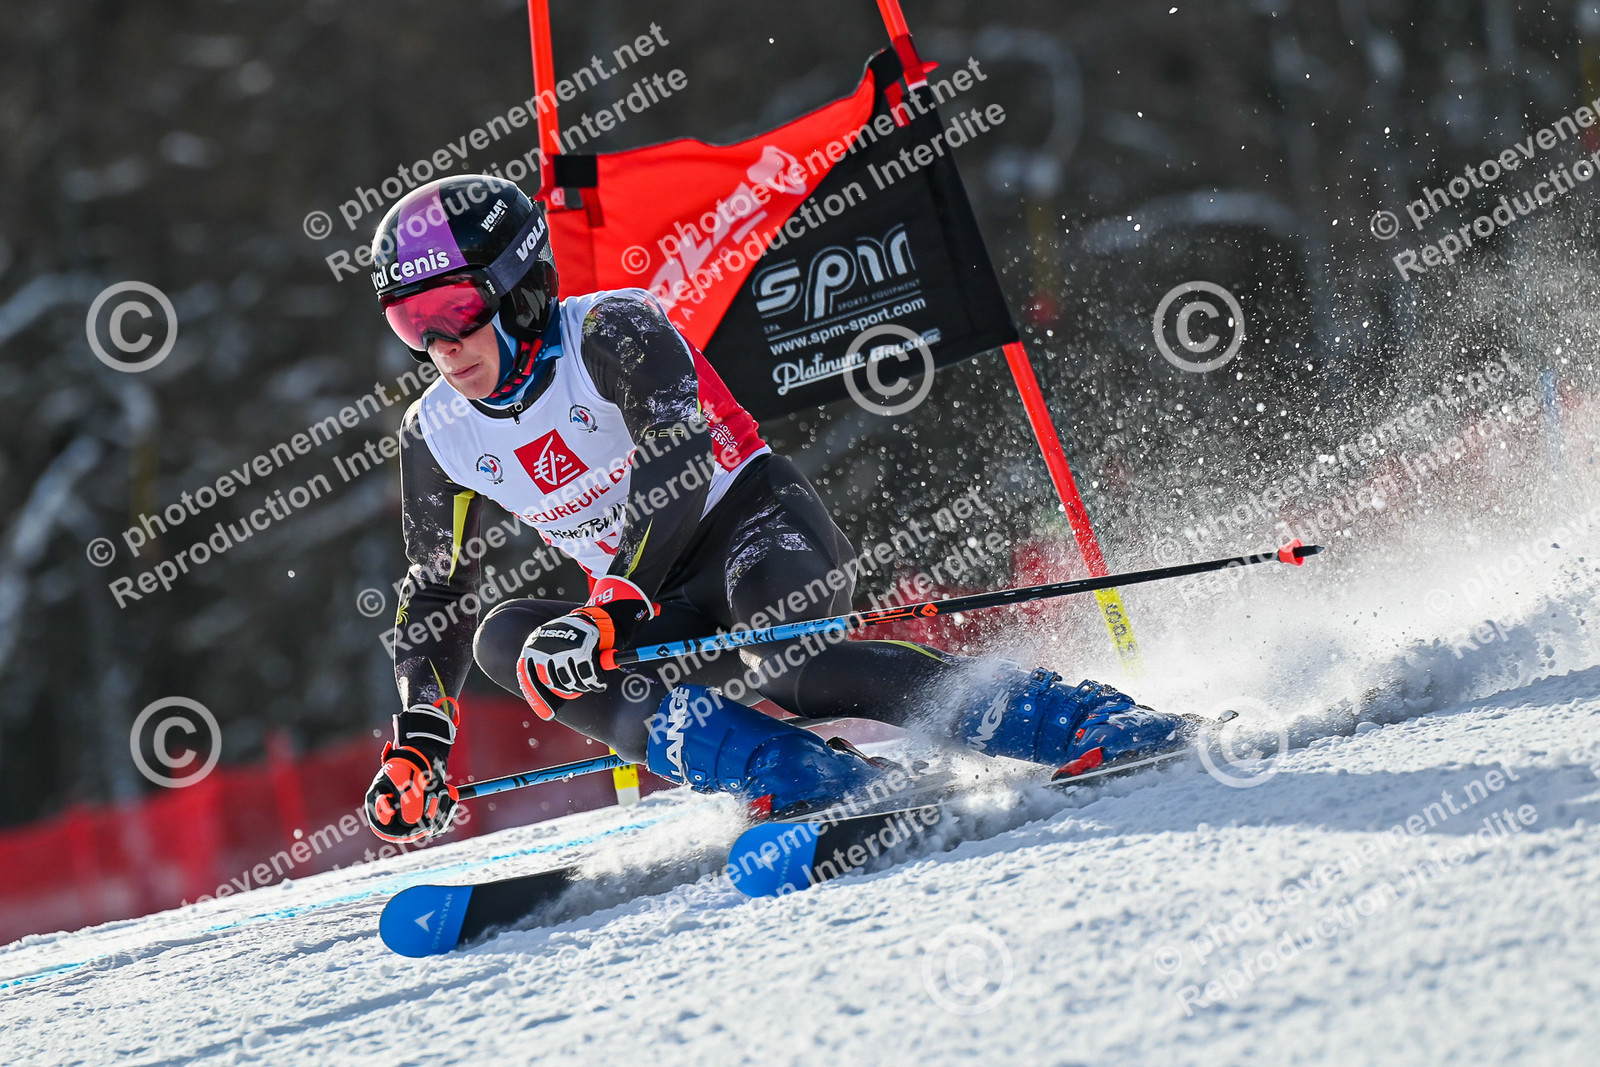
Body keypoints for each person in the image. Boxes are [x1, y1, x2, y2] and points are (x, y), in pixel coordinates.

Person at [362, 174, 1191, 843]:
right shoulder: (435, 431)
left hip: (756, 531)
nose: (440, 346)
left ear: (521, 289)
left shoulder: (613, 329)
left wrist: (612, 603)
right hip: (652, 602)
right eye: (412, 323)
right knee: (508, 638)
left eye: (454, 310)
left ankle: (1076, 718)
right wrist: (421, 737)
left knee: (792, 664)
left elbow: (678, 459)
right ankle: (794, 770)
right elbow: (438, 588)